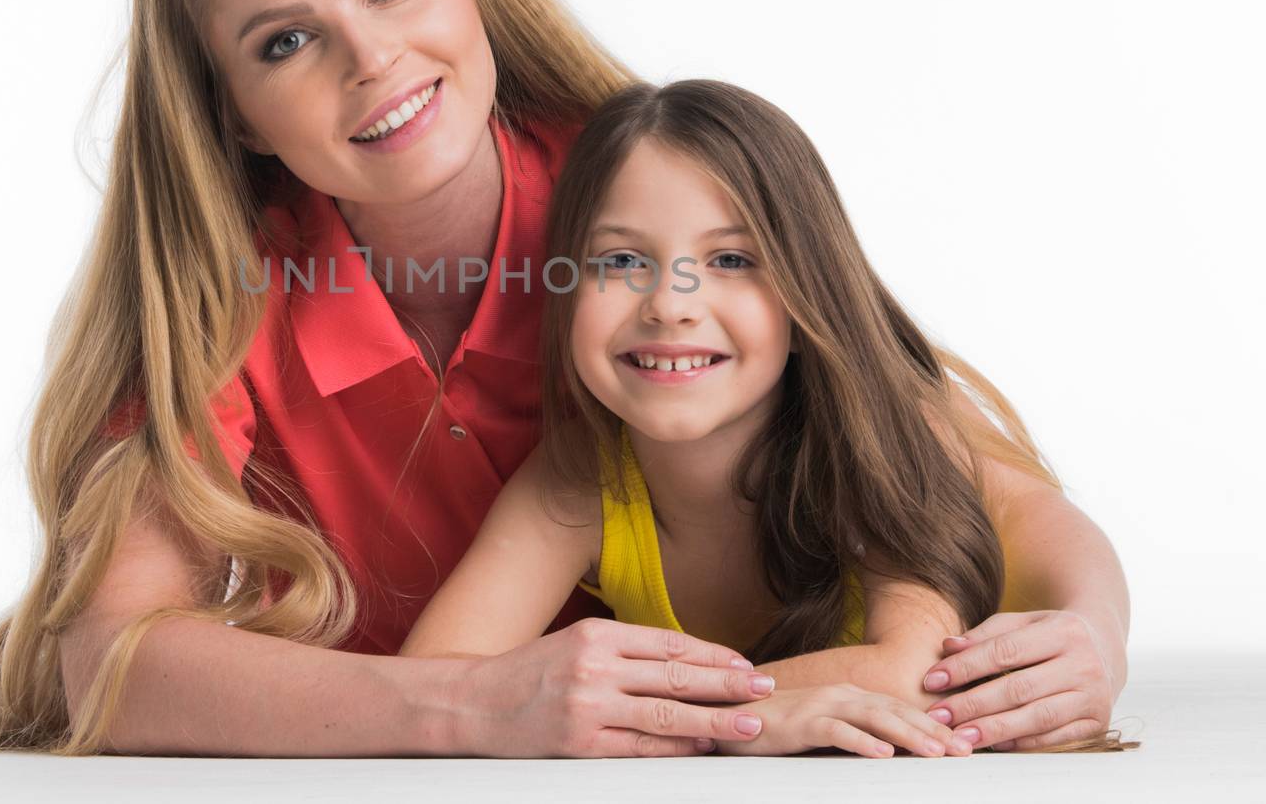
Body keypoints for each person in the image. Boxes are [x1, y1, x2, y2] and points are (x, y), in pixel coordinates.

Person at [0, 0, 1129, 759]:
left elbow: (950, 466)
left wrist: (1089, 639)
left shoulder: (649, 210)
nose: (371, 60)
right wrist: (473, 710)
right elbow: (107, 660)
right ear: (229, 109)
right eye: (285, 41)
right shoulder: (223, 305)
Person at [401, 78, 1132, 756]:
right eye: (621, 260)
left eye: (730, 260)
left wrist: (1098, 633)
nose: (670, 303)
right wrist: (752, 719)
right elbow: (432, 686)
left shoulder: (877, 432)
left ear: (804, 287)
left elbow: (917, 672)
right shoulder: (577, 477)